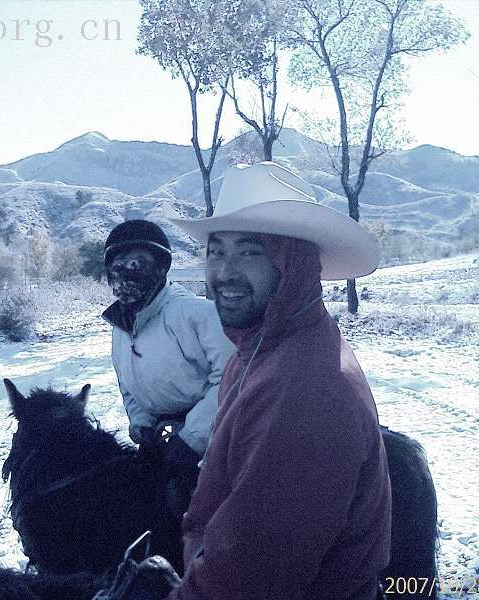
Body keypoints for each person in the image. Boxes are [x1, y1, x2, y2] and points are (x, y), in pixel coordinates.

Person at [156, 162, 393, 599]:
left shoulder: (305, 390)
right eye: (216, 251)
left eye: (249, 251)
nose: (224, 272)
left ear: (294, 264)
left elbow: (248, 578)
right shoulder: (261, 349)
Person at [102, 219, 235, 518]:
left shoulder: (196, 314)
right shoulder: (121, 325)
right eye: (119, 262)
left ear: (161, 266)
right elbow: (128, 383)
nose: (126, 270)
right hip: (161, 441)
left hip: (210, 444)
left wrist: (192, 438)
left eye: (138, 262)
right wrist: (141, 421)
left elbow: (231, 377)